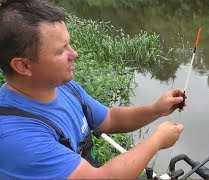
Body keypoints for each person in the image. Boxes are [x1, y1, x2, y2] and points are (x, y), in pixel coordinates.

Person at [0, 0, 185, 179]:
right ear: (23, 66)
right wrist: (156, 141)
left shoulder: (62, 86)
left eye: (69, 44)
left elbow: (110, 119)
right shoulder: (16, 138)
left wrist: (156, 109)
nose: (74, 54)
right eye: (60, 51)